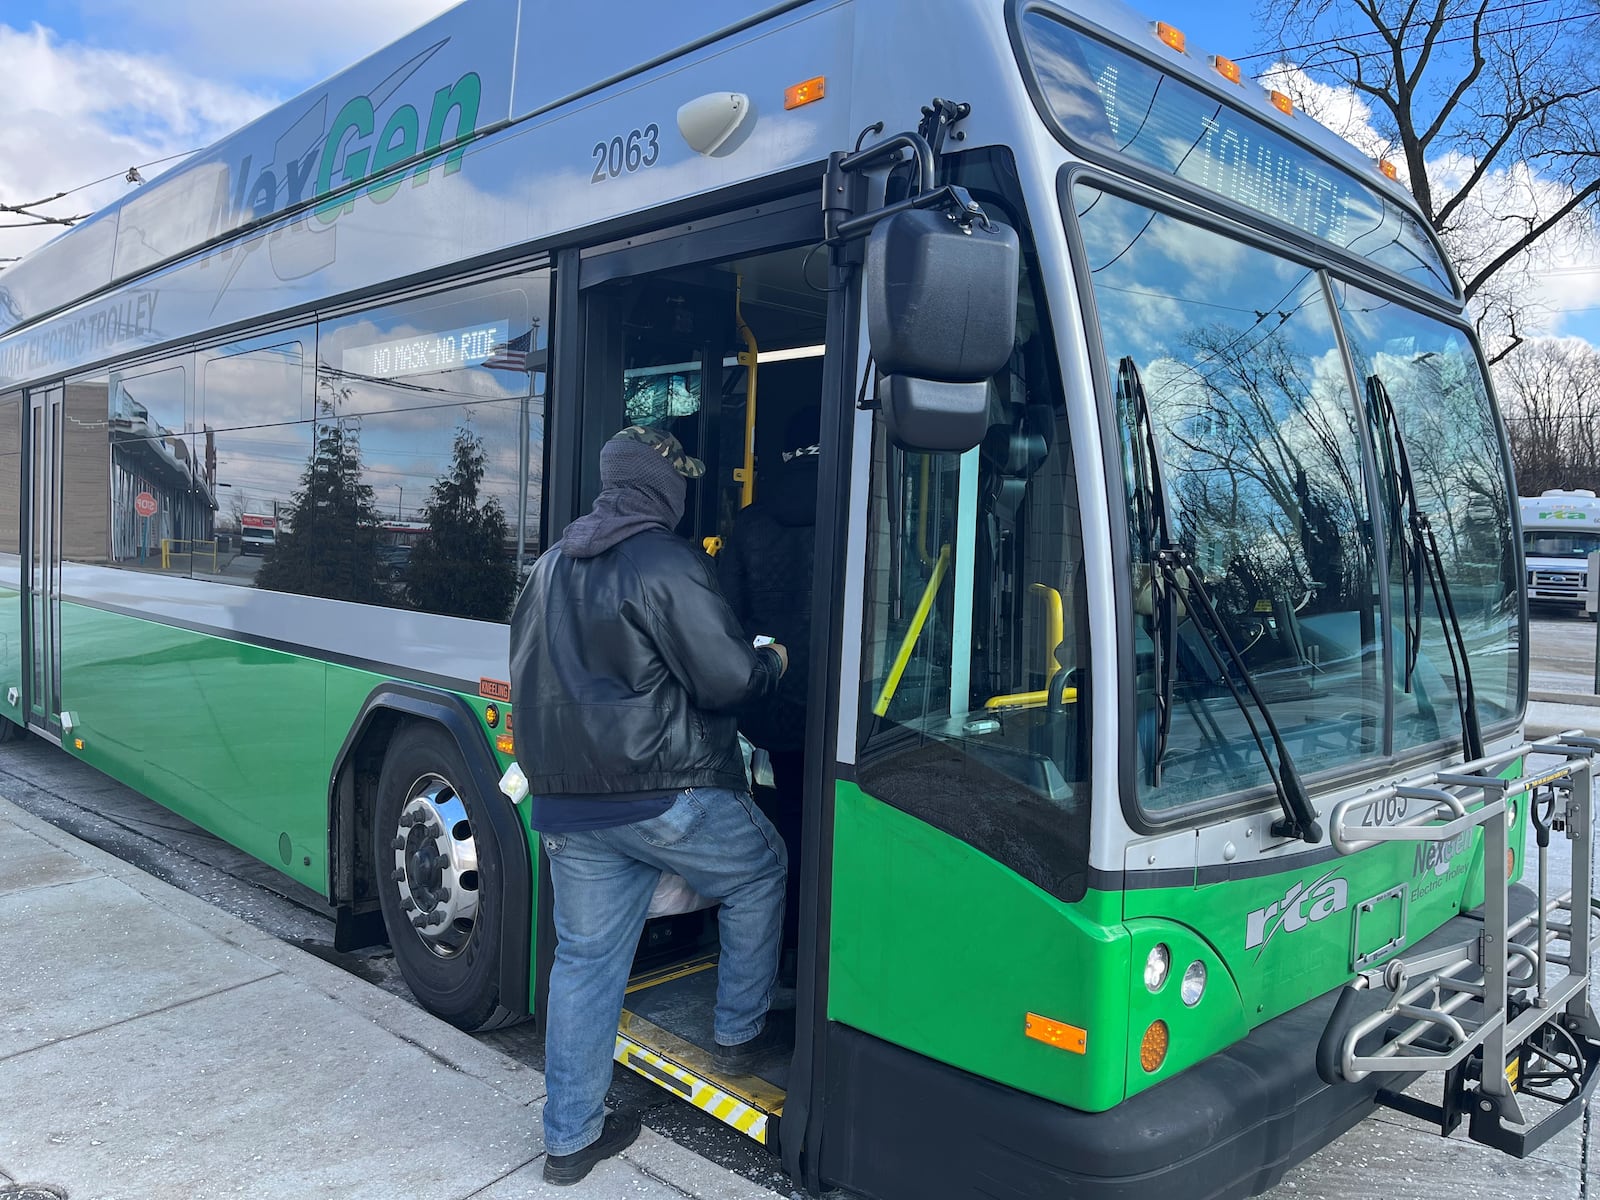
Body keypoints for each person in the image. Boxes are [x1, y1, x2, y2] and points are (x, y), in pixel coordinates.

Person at [509, 424, 791, 1187]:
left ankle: (569, 1142)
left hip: (568, 807)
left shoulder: (546, 569)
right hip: (663, 793)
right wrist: (772, 660)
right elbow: (725, 680)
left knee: (586, 964)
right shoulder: (664, 561)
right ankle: (737, 1032)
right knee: (762, 871)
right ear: (663, 489)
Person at [716, 406, 820, 975]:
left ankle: (776, 948)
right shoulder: (861, 511)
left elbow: (726, 616)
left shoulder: (752, 523)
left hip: (772, 702)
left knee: (779, 821)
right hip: (847, 708)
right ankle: (815, 942)